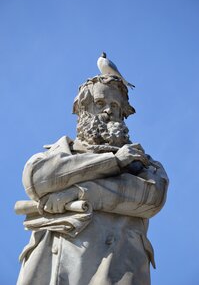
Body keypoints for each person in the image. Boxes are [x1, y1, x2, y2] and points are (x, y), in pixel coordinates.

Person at [17, 75, 169, 285]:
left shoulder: (141, 162)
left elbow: (152, 197)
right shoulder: (56, 153)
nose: (108, 110)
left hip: (115, 267)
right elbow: (37, 181)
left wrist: (79, 191)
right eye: (100, 103)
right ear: (83, 109)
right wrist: (113, 161)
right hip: (54, 268)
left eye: (115, 105)